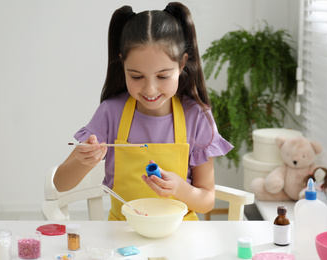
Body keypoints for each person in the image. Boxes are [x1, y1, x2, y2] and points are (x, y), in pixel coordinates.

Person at [53, 2, 233, 221]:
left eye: (163, 76)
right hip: (121, 233)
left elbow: (207, 201)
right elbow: (61, 184)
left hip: (179, 235)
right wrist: (83, 162)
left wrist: (180, 189)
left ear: (182, 64)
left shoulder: (196, 116)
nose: (149, 89)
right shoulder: (111, 112)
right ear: (123, 65)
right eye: (136, 76)